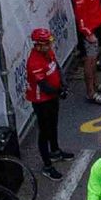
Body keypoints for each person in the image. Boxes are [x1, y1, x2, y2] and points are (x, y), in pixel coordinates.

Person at [26, 27, 69, 179]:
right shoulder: (34, 62)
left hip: (52, 97)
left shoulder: (47, 52)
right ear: (38, 45)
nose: (49, 46)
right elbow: (44, 86)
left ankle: (55, 151)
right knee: (44, 131)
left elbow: (56, 67)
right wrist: (59, 92)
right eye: (46, 44)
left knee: (54, 124)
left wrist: (63, 84)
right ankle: (47, 165)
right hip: (41, 101)